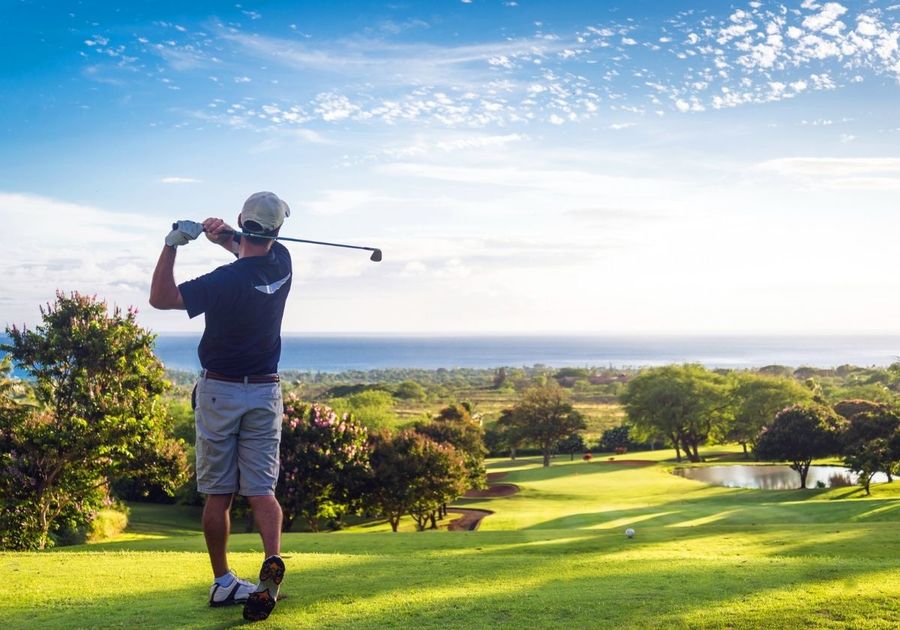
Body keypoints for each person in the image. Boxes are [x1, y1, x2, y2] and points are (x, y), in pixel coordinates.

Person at [149, 191, 292, 622]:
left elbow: (162, 298)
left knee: (219, 493)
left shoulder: (222, 282)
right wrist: (223, 238)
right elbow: (249, 249)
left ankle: (224, 582)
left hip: (220, 392)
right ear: (278, 230)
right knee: (261, 491)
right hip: (265, 391)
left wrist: (173, 243)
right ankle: (271, 562)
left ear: (241, 221)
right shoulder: (283, 261)